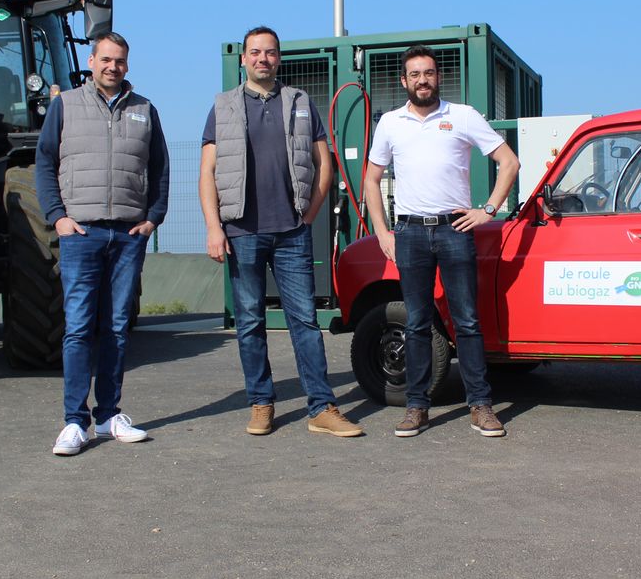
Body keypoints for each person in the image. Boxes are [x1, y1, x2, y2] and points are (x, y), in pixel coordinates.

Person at [199, 26, 363, 438]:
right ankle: (261, 403)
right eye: (255, 52)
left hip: (291, 231)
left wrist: (309, 215)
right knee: (251, 321)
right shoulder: (223, 106)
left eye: (270, 53)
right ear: (243, 59)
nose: (263, 59)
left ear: (278, 58)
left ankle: (322, 407)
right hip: (241, 231)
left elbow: (324, 164)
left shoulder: (300, 102)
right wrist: (213, 228)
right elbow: (207, 172)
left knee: (304, 321)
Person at [363, 44, 521, 439]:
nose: (422, 80)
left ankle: (480, 406)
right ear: (404, 81)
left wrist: (487, 209)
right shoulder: (390, 124)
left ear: (439, 77)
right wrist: (383, 232)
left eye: (429, 73)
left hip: (454, 230)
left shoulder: (463, 116)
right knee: (416, 323)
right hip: (410, 233)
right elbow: (370, 179)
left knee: (466, 322)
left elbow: (509, 162)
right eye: (415, 74)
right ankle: (416, 407)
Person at [36, 31, 170, 456]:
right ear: (91, 61)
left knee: (115, 328)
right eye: (106, 59)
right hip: (81, 233)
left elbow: (161, 170)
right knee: (78, 328)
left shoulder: (145, 111)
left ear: (127, 65)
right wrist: (57, 218)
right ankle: (75, 422)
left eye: (121, 61)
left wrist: (152, 219)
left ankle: (110, 414)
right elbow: (44, 162)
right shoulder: (65, 106)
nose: (114, 67)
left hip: (128, 235)